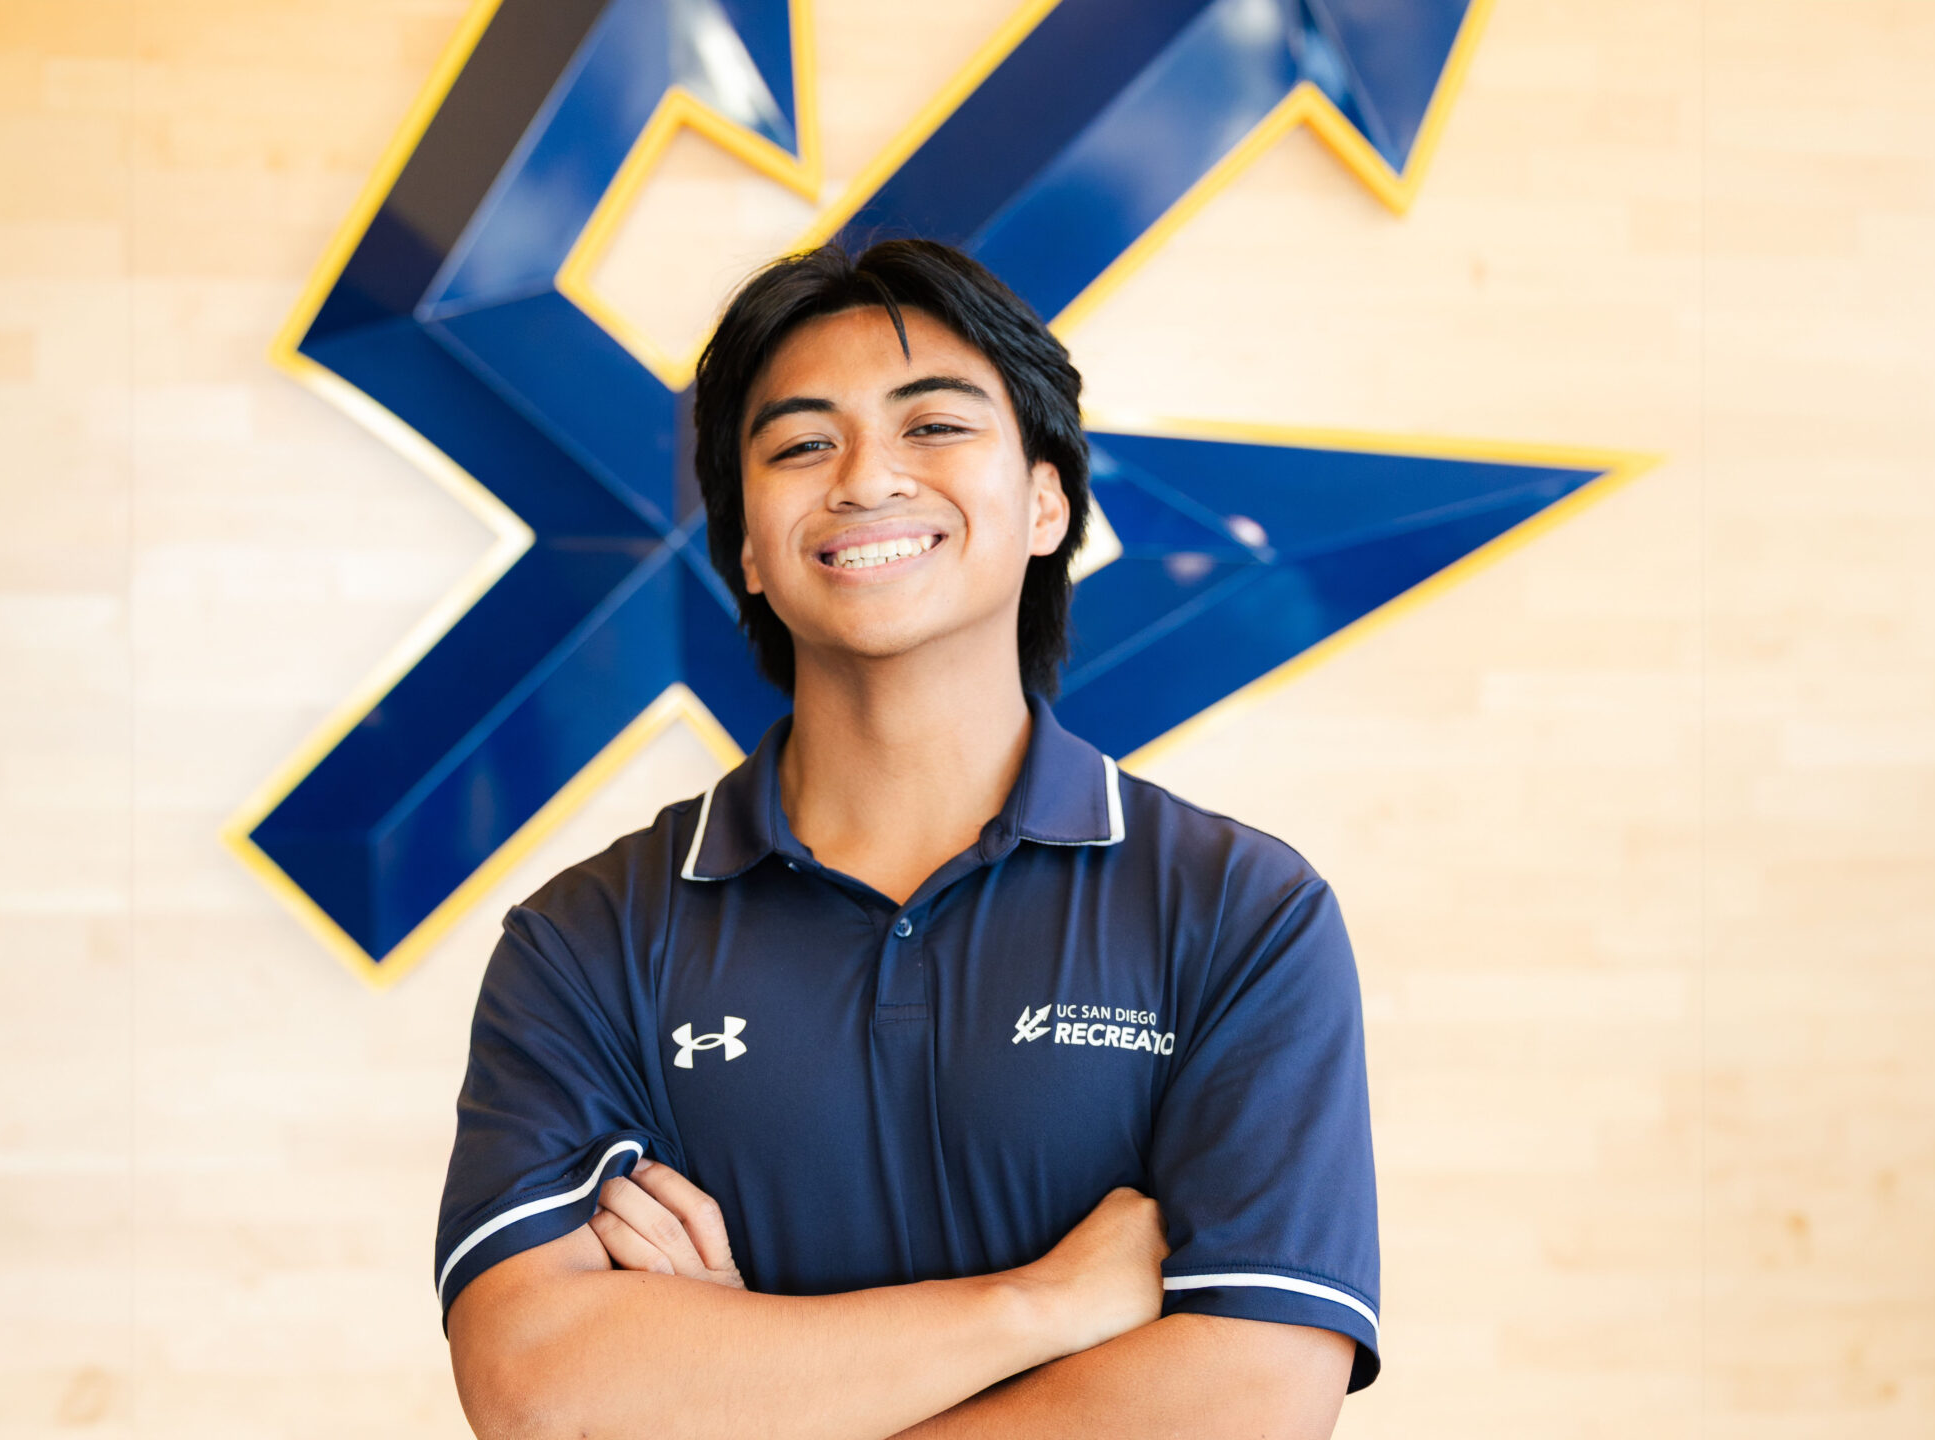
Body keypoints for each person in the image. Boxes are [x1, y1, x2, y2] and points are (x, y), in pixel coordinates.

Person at [434, 239, 1379, 1439]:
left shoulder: (1238, 912)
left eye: (933, 428)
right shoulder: (589, 941)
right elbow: (545, 1390)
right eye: (799, 444)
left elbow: (1247, 1399)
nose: (867, 479)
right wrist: (1041, 1307)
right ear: (746, 550)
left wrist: (739, 1397)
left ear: (1047, 503)